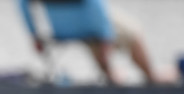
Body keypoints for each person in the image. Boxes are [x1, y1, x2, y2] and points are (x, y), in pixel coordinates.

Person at [19, 0, 159, 84]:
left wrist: (34, 34)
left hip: (56, 29)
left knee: (95, 31)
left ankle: (110, 74)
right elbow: (95, 7)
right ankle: (151, 76)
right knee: (133, 30)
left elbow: (22, 3)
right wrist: (105, 35)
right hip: (90, 26)